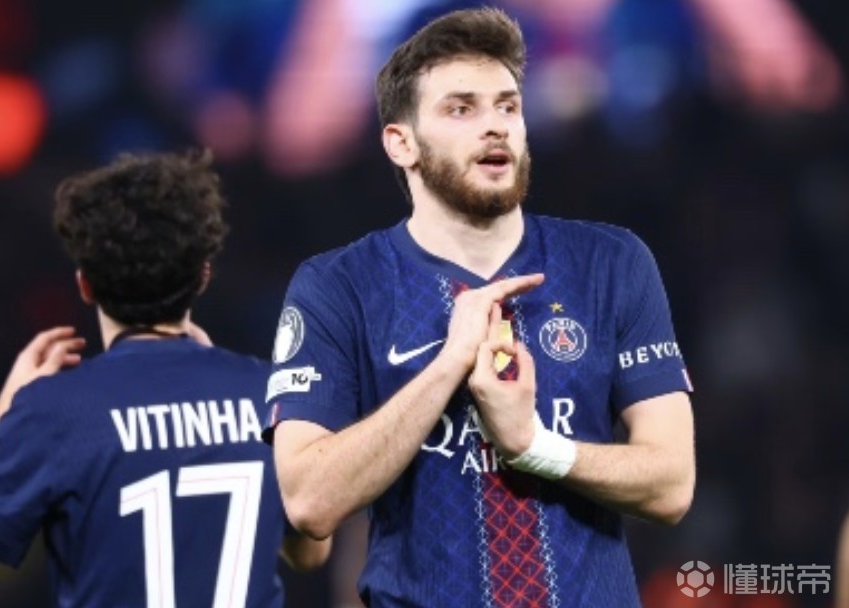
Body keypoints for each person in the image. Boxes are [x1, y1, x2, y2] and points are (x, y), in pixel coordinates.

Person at [265, 7, 694, 607]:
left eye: (507, 107)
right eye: (461, 109)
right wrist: (447, 366)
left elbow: (672, 483)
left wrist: (534, 447)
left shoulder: (610, 262)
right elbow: (309, 503)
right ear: (402, 143)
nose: (495, 126)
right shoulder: (339, 286)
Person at [0, 150, 330, 606]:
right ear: (202, 277)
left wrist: (4, 411)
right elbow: (311, 551)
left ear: (85, 285)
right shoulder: (269, 396)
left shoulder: (56, 412)